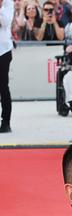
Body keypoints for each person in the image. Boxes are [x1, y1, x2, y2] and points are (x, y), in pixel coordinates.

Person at [1, 0, 12, 133]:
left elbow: (5, 22)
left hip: (3, 51)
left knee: (3, 87)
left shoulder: (7, 3)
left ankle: (6, 121)